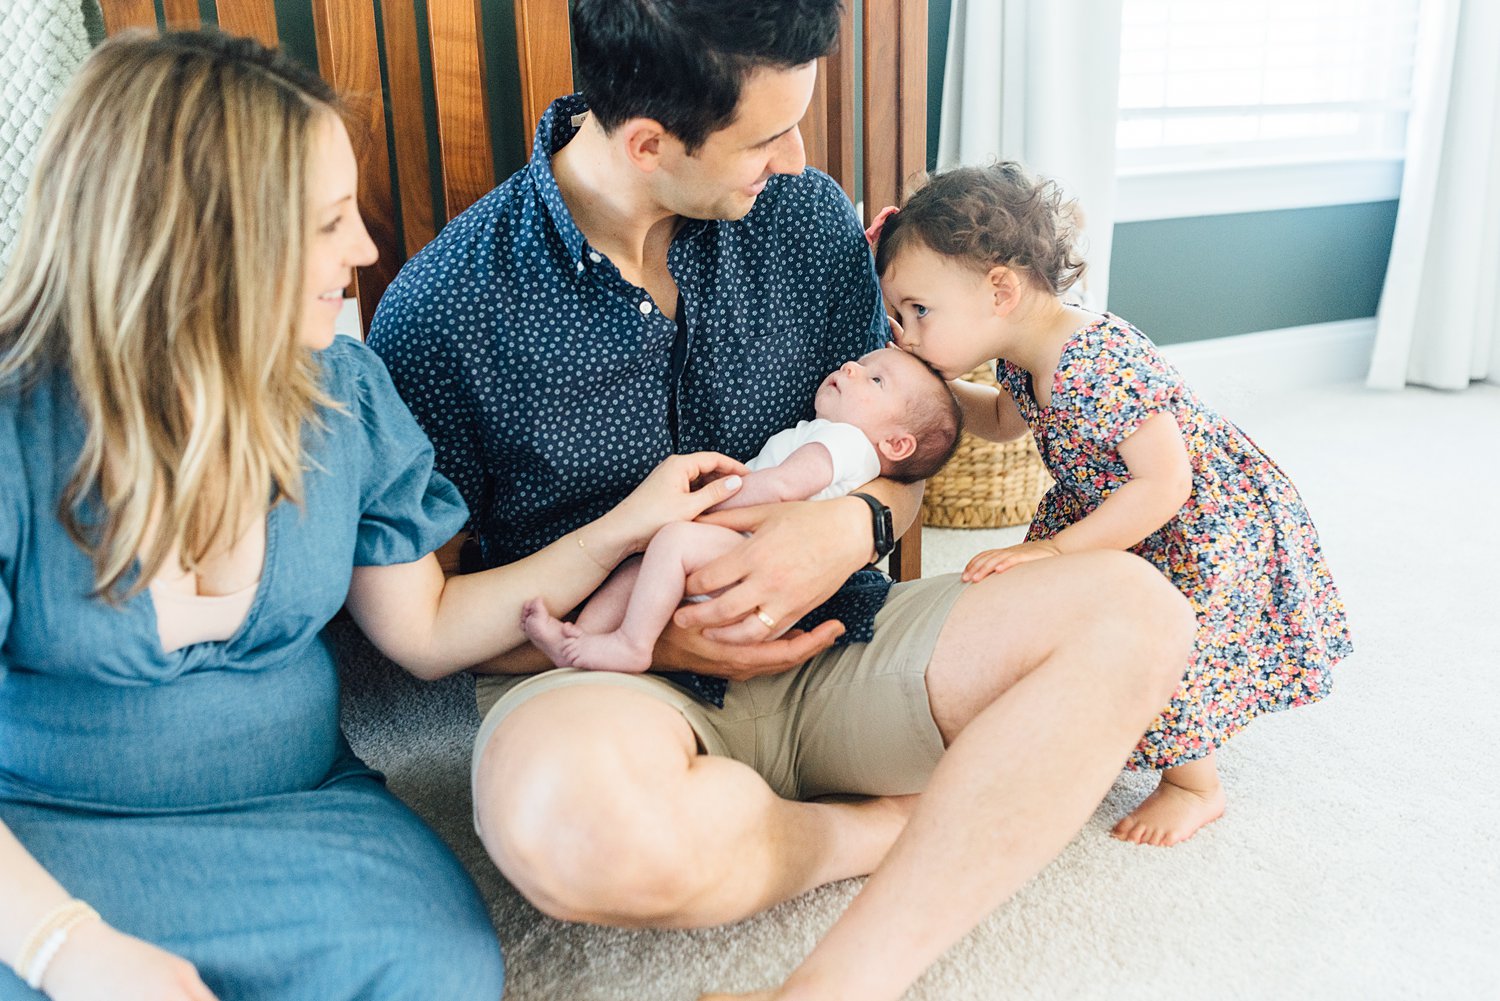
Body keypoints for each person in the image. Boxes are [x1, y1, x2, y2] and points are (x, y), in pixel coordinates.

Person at [369, 2, 1195, 999]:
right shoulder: (447, 310)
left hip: (840, 635)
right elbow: (427, 619)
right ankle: (878, 825)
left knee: (1137, 612)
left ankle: (838, 983)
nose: (799, 161)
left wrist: (849, 525)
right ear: (647, 142)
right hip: (607, 685)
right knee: (574, 835)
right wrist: (655, 631)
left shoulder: (804, 222)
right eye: (767, 136)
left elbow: (906, 442)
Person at [0, 30, 748, 1001]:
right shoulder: (19, 426)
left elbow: (429, 629)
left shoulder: (340, 394)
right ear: (201, 238)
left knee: (440, 970)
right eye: (326, 221)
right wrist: (69, 945)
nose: (362, 248)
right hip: (42, 831)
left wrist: (623, 529)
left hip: (296, 807)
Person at [872, 160, 1355, 848]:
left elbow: (1165, 484)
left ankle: (1196, 785)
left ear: (999, 289)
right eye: (900, 316)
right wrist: (933, 392)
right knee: (1088, 625)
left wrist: (1053, 547)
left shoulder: (1095, 357)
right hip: (1116, 506)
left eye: (919, 311)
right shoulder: (1021, 351)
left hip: (1187, 520)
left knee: (1173, 644)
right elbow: (1008, 421)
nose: (907, 331)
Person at [520, 347, 963, 673]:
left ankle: (631, 644)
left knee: (670, 541)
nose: (852, 367)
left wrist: (704, 502)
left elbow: (783, 487)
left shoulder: (844, 443)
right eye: (863, 364)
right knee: (640, 567)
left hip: (753, 555)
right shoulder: (832, 436)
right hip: (746, 556)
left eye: (875, 381)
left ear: (897, 444)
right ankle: (583, 642)